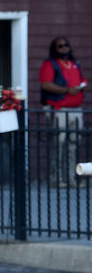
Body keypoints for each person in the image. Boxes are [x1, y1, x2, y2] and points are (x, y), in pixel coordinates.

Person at [40, 36, 87, 186]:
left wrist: (81, 86)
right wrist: (67, 90)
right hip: (60, 109)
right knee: (59, 145)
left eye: (66, 45)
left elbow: (82, 80)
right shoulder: (50, 64)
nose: (64, 48)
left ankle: (71, 177)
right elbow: (46, 84)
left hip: (76, 109)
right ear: (55, 49)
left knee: (73, 145)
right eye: (60, 46)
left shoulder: (74, 63)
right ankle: (57, 178)